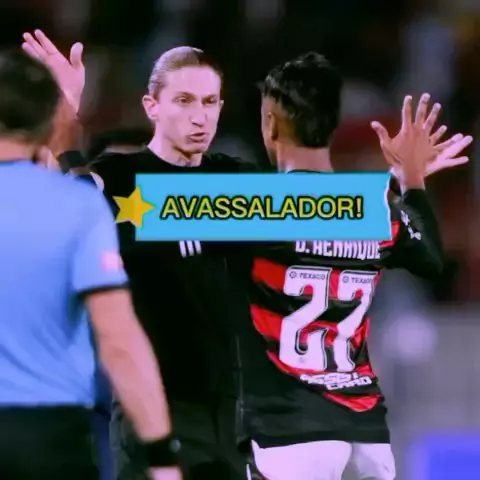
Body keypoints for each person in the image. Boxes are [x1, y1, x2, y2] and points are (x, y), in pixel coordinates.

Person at [202, 53, 472, 480]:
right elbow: (432, 259)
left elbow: (139, 208)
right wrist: (412, 181)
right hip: (364, 432)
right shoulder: (374, 203)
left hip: (288, 429)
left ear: (271, 125)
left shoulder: (255, 204)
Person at [21, 30, 252, 479]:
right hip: (153, 406)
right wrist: (64, 106)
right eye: (184, 101)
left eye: (210, 102)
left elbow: (322, 212)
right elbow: (53, 203)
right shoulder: (119, 176)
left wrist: (395, 185)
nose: (200, 116)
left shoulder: (235, 180)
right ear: (152, 107)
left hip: (231, 409)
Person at [0, 49, 181, 480]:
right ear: (47, 123)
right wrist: (162, 456)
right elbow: (119, 339)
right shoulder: (77, 207)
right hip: (48, 438)